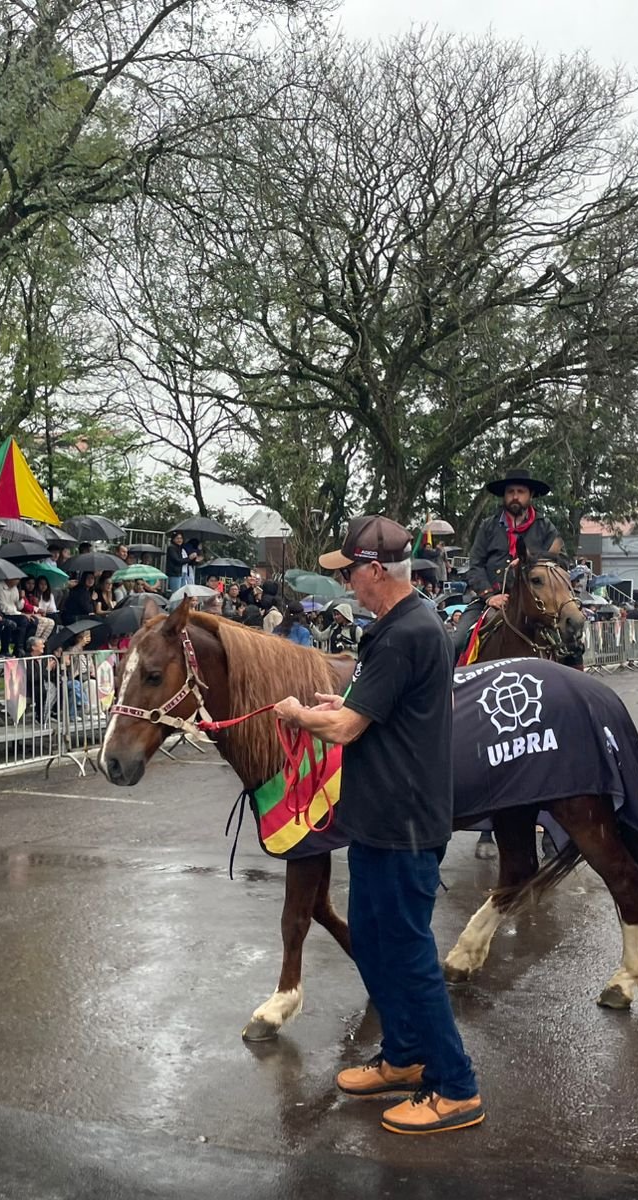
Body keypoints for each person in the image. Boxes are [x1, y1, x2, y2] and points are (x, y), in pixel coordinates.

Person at [273, 515, 483, 1135]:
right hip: (379, 817)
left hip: (402, 820)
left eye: (350, 574)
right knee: (372, 936)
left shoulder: (402, 635)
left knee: (409, 953)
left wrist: (297, 712)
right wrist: (343, 703)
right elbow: (374, 711)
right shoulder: (401, 626)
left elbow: (344, 732)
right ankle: (403, 1055)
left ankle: (456, 1085)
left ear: (374, 571)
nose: (347, 587)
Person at [458, 466, 564, 655]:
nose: (515, 496)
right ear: (504, 496)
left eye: (520, 492)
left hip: (535, 602)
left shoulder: (545, 527)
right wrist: (489, 595)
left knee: (570, 643)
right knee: (456, 642)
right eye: (510, 492)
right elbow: (475, 565)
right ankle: (453, 684)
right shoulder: (488, 526)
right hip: (491, 598)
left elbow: (562, 561)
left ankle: (572, 683)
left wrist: (530, 560)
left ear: (530, 495)